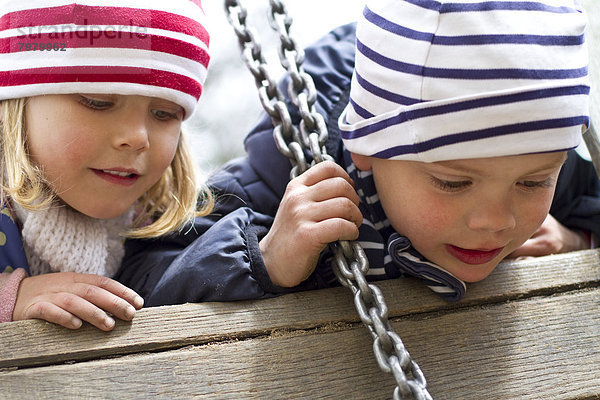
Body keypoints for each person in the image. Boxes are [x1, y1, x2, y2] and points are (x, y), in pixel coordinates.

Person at [116, 0, 599, 305]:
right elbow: (141, 271)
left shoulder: (543, 162)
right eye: (454, 182)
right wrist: (264, 258)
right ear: (366, 148)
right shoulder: (287, 176)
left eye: (533, 183)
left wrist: (578, 242)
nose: (495, 220)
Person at [0, 0, 213, 330]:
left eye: (164, 114)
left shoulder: (155, 222)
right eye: (98, 102)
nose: (137, 137)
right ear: (18, 100)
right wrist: (11, 298)